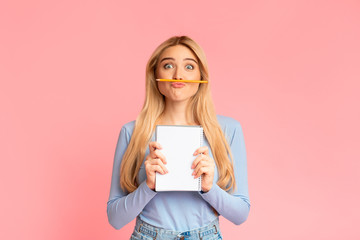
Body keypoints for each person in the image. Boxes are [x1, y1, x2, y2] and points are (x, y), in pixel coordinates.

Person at [107, 36, 250, 240]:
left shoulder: (228, 130)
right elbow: (115, 219)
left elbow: (240, 214)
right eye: (168, 65)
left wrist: (209, 188)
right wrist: (148, 187)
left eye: (189, 67)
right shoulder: (132, 132)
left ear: (202, 76)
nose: (178, 75)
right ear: (155, 75)